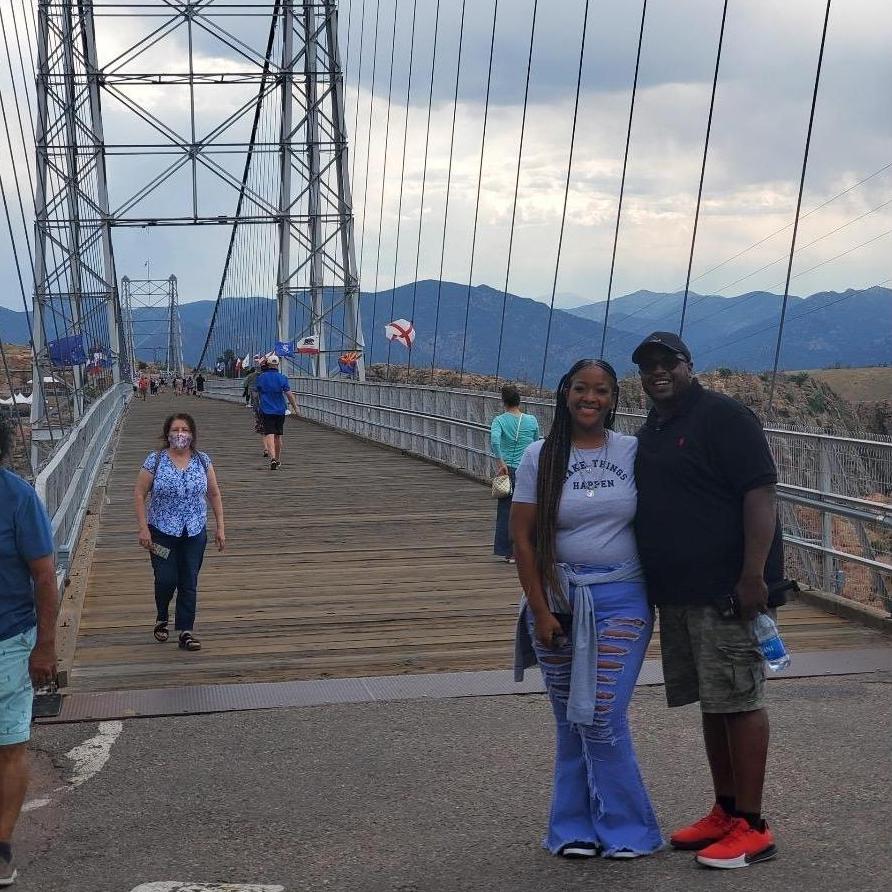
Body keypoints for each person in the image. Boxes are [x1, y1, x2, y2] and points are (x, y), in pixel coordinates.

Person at [632, 331, 782, 870]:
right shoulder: (654, 426)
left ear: (688, 365)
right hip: (677, 593)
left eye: (667, 363)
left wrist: (752, 576)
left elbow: (761, 492)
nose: (657, 373)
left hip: (726, 591)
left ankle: (754, 825)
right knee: (714, 703)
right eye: (647, 367)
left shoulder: (725, 417)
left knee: (740, 702)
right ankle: (725, 810)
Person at [511, 359, 663, 860]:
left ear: (614, 399)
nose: (590, 398)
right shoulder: (541, 455)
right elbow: (524, 539)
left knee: (600, 714)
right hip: (557, 599)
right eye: (581, 389)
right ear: (566, 392)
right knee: (569, 719)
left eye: (601, 391)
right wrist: (540, 610)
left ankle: (628, 830)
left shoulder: (633, 450)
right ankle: (572, 828)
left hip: (622, 598)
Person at [0, 419, 58, 886]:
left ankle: (0, 847)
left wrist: (46, 647)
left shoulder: (17, 497)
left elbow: (44, 575)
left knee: (7, 748)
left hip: (8, 641)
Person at [134, 413, 225, 652]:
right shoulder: (155, 461)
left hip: (194, 532)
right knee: (166, 578)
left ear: (192, 434)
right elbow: (139, 493)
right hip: (160, 534)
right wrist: (143, 528)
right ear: (167, 434)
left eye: (184, 429)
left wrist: (220, 527)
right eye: (175, 430)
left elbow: (214, 493)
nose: (180, 434)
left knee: (188, 581)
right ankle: (162, 615)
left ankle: (186, 630)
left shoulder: (203, 461)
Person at [490, 384, 539, 563]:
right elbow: (536, 443)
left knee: (506, 510)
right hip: (527, 469)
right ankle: (526, 549)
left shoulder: (500, 421)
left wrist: (500, 461)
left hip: (508, 469)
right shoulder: (531, 420)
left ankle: (509, 551)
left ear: (503, 402)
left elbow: (495, 440)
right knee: (527, 510)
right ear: (519, 401)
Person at [253, 355, 299, 471]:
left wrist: (256, 405)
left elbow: (255, 393)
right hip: (280, 410)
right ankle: (278, 459)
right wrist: (296, 407)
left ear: (268, 364)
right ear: (277, 365)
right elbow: (289, 394)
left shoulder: (261, 378)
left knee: (269, 434)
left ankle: (272, 457)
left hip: (266, 409)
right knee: (278, 436)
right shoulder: (282, 378)